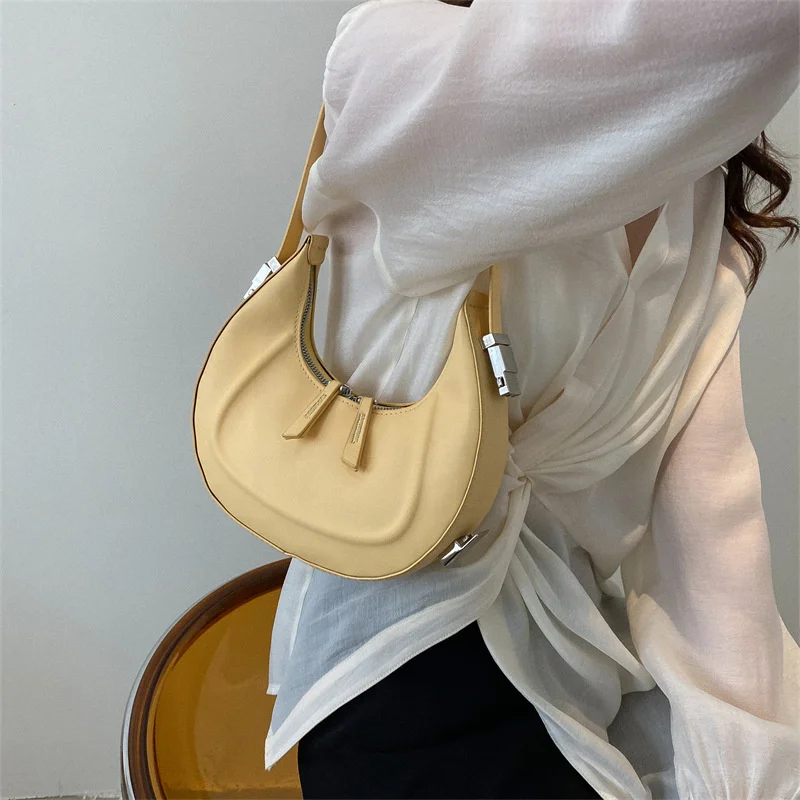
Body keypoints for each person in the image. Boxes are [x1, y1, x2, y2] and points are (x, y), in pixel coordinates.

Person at [264, 1, 800, 797]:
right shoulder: (403, 61)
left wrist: (751, 771)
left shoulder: (698, 205)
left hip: (576, 671)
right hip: (397, 671)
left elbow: (712, 521)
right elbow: (738, 30)